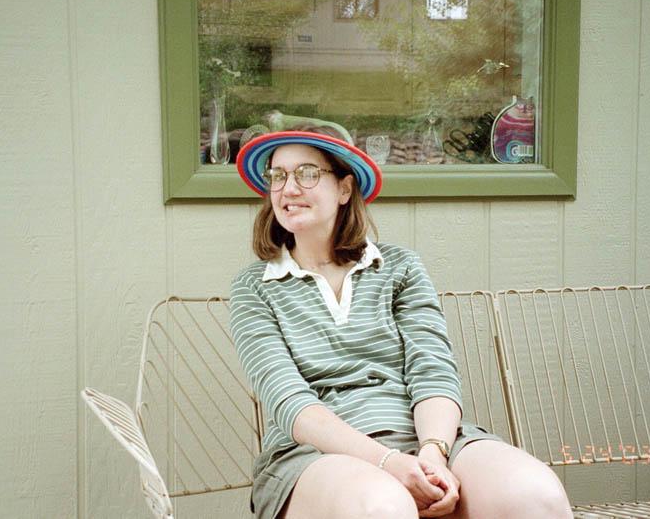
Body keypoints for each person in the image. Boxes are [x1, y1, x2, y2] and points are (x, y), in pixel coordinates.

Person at [230, 124, 573, 519]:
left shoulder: (399, 268)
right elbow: (291, 405)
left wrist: (433, 454)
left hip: (426, 438)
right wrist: (389, 462)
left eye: (307, 173)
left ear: (344, 188)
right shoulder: (254, 287)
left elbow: (434, 373)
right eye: (278, 175)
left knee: (534, 495)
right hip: (317, 456)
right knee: (383, 507)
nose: (288, 189)